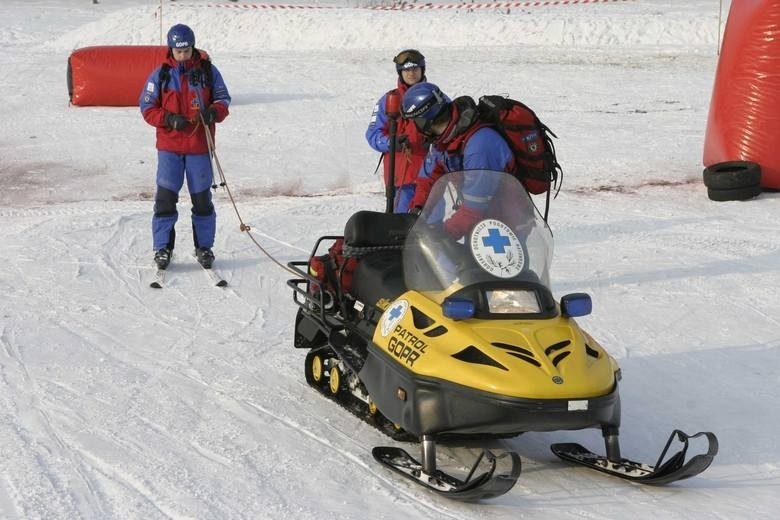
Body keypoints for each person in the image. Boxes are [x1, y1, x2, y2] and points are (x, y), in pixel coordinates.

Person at [139, 23, 231, 270]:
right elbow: (147, 108)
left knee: (202, 200)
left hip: (199, 146)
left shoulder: (208, 71)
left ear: (192, 48)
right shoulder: (160, 75)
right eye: (178, 51)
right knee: (166, 199)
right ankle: (163, 248)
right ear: (171, 50)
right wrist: (168, 119)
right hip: (170, 147)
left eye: (187, 51)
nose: (183, 55)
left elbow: (223, 98)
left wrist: (214, 112)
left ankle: (204, 247)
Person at [401, 82, 515, 239]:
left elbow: (475, 205)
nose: (415, 127)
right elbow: (430, 178)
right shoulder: (443, 140)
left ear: (427, 120)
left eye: (416, 121)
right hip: (477, 223)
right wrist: (418, 211)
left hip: (506, 227)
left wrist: (444, 234)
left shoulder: (480, 145)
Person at [365, 49, 430, 213]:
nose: (411, 73)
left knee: (433, 225)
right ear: (400, 73)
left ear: (422, 70)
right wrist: (391, 143)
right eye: (406, 70)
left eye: (415, 69)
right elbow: (373, 134)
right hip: (401, 179)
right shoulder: (389, 100)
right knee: (399, 225)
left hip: (431, 175)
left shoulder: (435, 96)